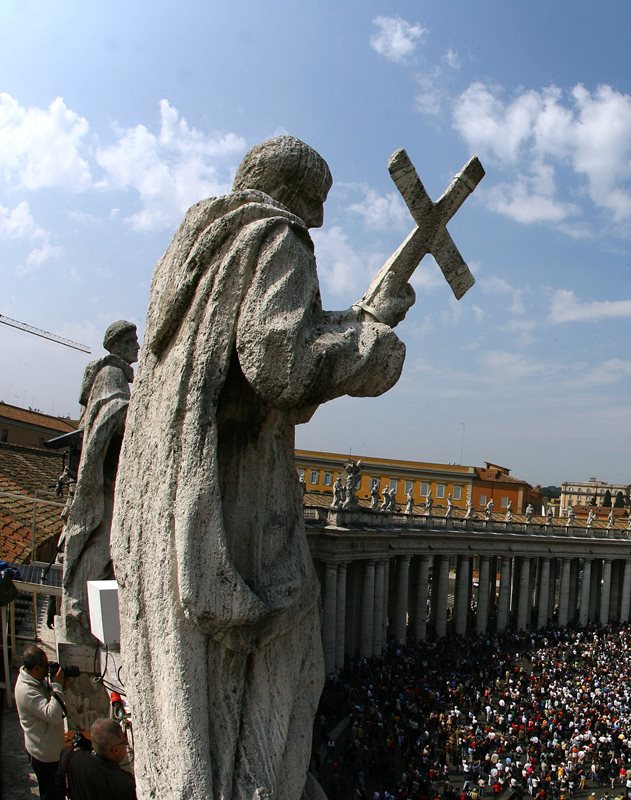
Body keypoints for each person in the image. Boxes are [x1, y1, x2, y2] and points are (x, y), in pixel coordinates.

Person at [110, 136, 411, 799]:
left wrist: (359, 317)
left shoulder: (199, 249)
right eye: (317, 207)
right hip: (237, 508)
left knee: (184, 689)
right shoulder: (277, 236)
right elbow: (279, 363)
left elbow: (260, 348)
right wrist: (376, 351)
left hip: (166, 504)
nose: (321, 225)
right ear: (293, 195)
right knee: (289, 661)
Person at [58, 319, 139, 643]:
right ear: (119, 343)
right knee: (103, 541)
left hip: (109, 472)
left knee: (106, 544)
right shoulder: (112, 373)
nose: (138, 345)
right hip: (104, 475)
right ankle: (78, 603)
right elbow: (112, 413)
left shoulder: (115, 373)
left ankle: (91, 612)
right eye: (132, 339)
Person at [15, 645, 68, 800]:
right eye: (46, 666)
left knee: (58, 791)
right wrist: (57, 685)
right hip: (44, 756)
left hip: (50, 750)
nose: (48, 670)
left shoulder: (34, 679)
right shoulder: (26, 691)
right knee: (51, 795)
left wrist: (60, 686)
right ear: (36, 668)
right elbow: (53, 715)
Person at [59, 718, 136, 800]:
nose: (126, 744)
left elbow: (58, 787)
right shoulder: (125, 784)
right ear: (115, 749)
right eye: (124, 742)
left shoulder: (69, 756)